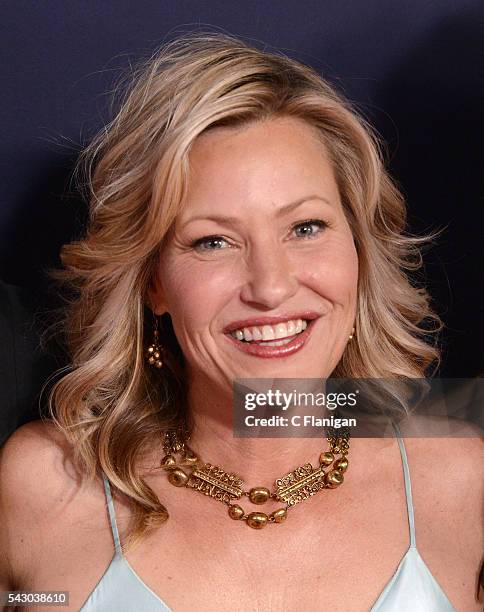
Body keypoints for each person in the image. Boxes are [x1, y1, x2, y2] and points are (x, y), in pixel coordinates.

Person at [0, 33, 482, 612]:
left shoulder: (459, 477)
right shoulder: (43, 486)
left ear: (358, 250)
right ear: (152, 282)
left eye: (305, 228)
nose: (271, 286)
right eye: (213, 241)